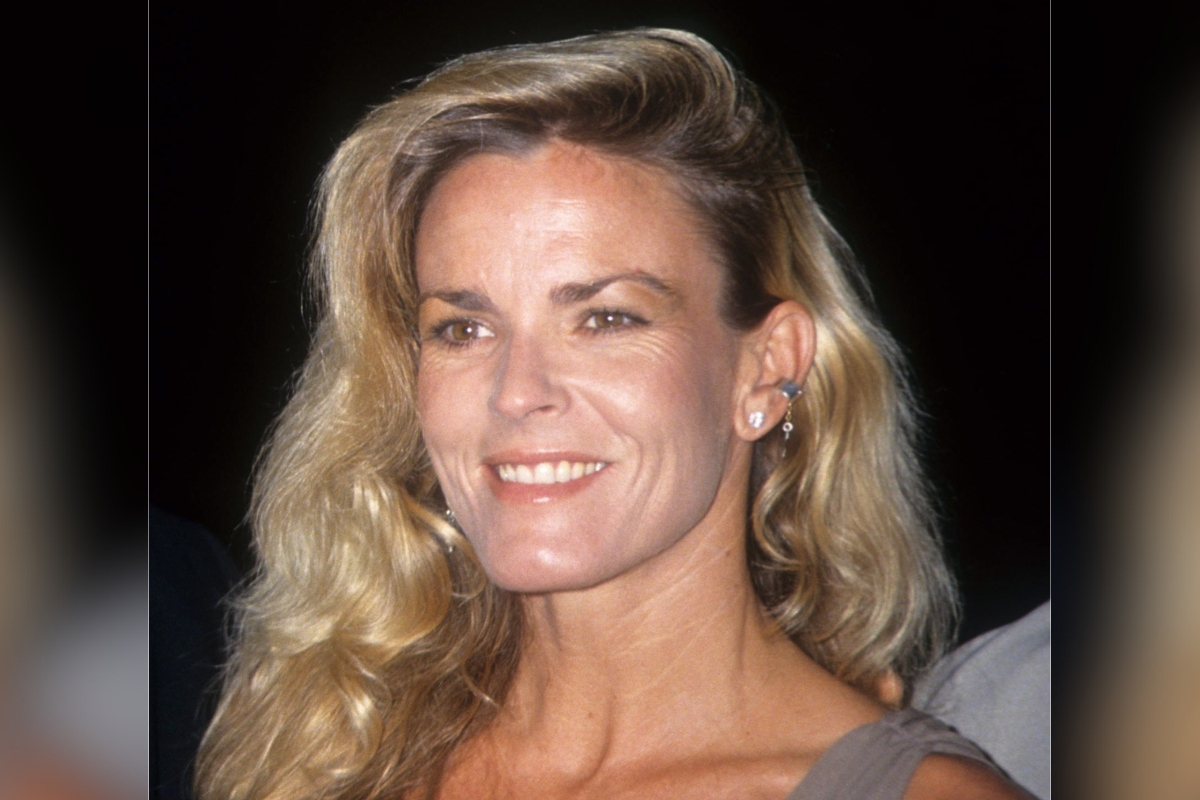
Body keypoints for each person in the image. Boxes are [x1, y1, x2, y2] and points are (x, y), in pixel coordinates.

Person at [196, 29, 1029, 800]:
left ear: (766, 369)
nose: (516, 391)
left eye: (605, 318)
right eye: (463, 329)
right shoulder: (318, 755)